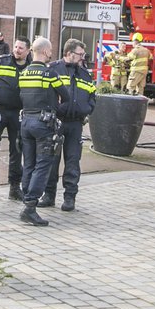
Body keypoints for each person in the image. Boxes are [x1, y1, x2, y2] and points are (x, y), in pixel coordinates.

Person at [15, 37, 70, 226]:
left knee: (28, 164)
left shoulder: (24, 73)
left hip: (26, 122)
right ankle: (30, 207)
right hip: (43, 124)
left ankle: (26, 201)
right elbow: (66, 95)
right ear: (46, 52)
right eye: (51, 50)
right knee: (43, 165)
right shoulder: (49, 74)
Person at [44, 39, 97, 211]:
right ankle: (49, 195)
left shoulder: (84, 73)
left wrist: (87, 109)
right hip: (56, 122)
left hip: (75, 124)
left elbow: (92, 96)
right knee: (52, 161)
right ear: (69, 53)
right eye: (80, 54)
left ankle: (69, 198)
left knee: (73, 161)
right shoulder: (53, 69)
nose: (83, 58)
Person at [0, 38, 29, 200]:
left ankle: (14, 187)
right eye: (15, 46)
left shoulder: (31, 67)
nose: (17, 50)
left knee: (17, 150)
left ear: (28, 51)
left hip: (18, 114)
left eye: (21, 48)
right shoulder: (1, 61)